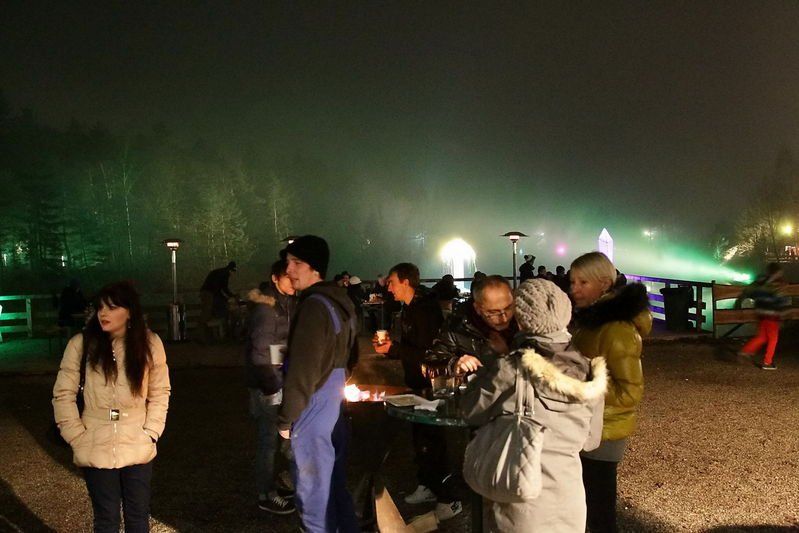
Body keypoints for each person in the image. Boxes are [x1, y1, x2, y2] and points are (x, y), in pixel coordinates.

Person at [460, 278, 607, 531]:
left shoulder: (512, 368)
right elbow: (591, 441)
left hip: (522, 501)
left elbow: (470, 410)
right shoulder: (590, 371)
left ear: (521, 320)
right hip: (570, 499)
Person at [52, 281, 171, 533]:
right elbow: (63, 394)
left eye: (112, 307)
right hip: (95, 440)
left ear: (129, 312)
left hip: (137, 439)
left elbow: (160, 391)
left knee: (138, 517)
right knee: (106, 519)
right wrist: (76, 435)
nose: (103, 313)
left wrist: (151, 431)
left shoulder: (149, 343)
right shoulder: (81, 344)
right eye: (100, 307)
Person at [276, 235, 359, 533]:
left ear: (315, 269)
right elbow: (353, 357)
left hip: (313, 410)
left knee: (313, 498)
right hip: (336, 408)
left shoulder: (313, 307)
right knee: (335, 490)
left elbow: (302, 371)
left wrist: (286, 418)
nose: (289, 270)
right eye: (288, 263)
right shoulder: (341, 303)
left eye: (296, 263)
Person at [569, 252, 652, 533]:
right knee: (587, 503)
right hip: (589, 425)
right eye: (572, 282)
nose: (574, 289)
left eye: (583, 282)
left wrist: (581, 385)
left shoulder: (616, 330)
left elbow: (630, 392)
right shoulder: (592, 323)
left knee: (599, 508)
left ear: (604, 284)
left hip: (604, 430)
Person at [372, 263, 462, 521]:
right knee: (421, 436)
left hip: (431, 384)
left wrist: (394, 349)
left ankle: (449, 498)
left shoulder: (425, 311)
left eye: (392, 282)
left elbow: (429, 353)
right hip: (416, 381)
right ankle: (427, 484)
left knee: (434, 439)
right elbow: (411, 348)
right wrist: (391, 348)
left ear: (405, 282)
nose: (388, 288)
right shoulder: (410, 309)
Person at [245, 259, 298, 514]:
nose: (293, 280)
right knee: (268, 442)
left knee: (277, 440)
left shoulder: (285, 302)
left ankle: (275, 485)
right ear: (275, 278)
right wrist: (272, 386)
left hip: (277, 380)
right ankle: (265, 494)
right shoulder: (267, 308)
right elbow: (260, 351)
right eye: (288, 276)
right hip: (267, 384)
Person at [427, 275, 519, 375]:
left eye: (508, 308)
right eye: (493, 312)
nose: (504, 318)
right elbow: (431, 361)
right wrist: (454, 364)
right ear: (477, 308)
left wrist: (507, 354)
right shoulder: (457, 327)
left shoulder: (525, 321)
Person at [738, 262, 789, 370]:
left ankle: (745, 351)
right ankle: (767, 362)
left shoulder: (759, 282)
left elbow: (748, 291)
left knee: (762, 337)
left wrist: (740, 300)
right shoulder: (776, 284)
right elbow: (779, 300)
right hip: (772, 314)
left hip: (761, 313)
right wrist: (783, 314)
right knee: (773, 339)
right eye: (780, 272)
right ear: (777, 272)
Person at [200, 261, 237, 340]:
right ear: (231, 270)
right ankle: (201, 335)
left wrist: (228, 296)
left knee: (208, 313)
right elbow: (222, 288)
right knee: (206, 314)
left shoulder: (220, 272)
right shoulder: (225, 274)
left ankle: (206, 335)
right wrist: (229, 297)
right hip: (209, 293)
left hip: (206, 292)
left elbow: (221, 288)